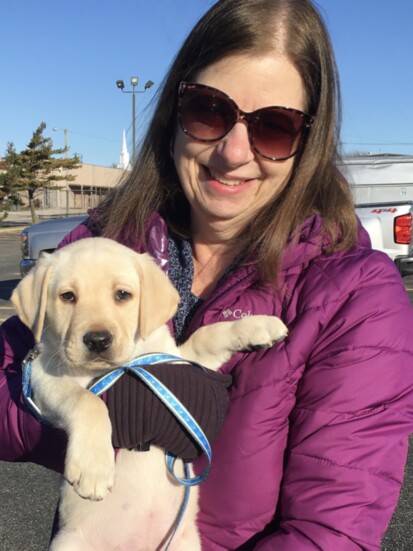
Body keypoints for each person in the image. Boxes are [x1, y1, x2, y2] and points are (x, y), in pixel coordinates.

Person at [1, 0, 413, 549]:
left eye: (274, 125)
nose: (233, 151)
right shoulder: (103, 245)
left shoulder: (357, 296)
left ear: (306, 144)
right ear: (174, 114)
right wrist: (83, 410)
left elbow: (331, 530)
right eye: (209, 111)